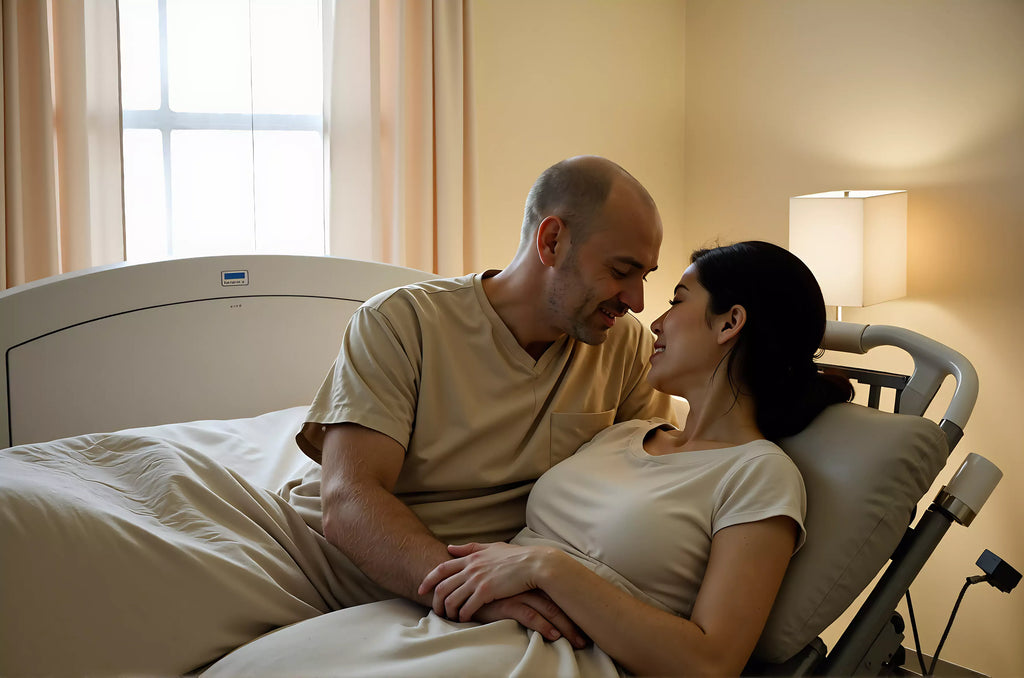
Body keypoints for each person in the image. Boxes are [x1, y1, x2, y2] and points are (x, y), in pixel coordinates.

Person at [203, 241, 855, 678]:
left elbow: (713, 663)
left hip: (562, 656)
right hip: (460, 615)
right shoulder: (621, 436)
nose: (651, 320)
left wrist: (548, 567)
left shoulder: (759, 474)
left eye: (678, 301)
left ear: (729, 323)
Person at [280, 155, 678, 644]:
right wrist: (481, 594)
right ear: (552, 241)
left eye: (646, 276)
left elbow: (658, 491)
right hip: (336, 568)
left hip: (504, 583)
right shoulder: (401, 323)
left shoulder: (625, 346)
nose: (637, 299)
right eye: (622, 271)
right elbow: (348, 500)